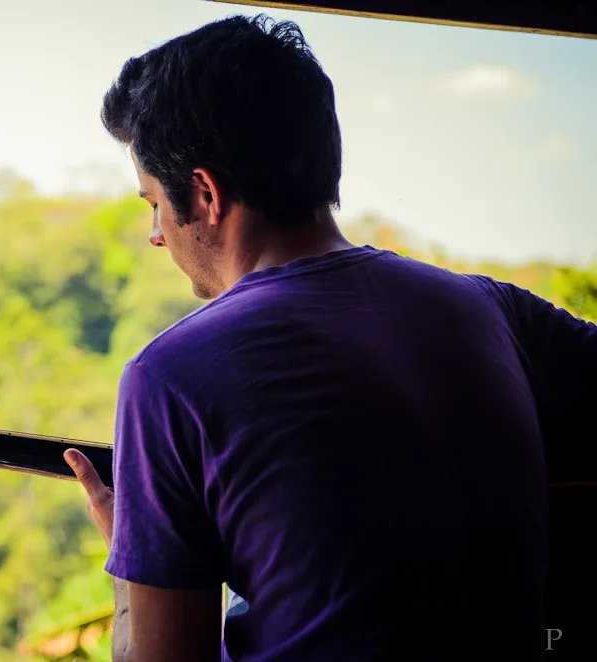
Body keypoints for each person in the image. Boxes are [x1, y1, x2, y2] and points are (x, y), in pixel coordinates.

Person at [61, 13, 597, 662]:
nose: (155, 233)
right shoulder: (496, 311)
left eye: (153, 202)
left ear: (203, 193)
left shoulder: (168, 377)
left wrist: (133, 558)